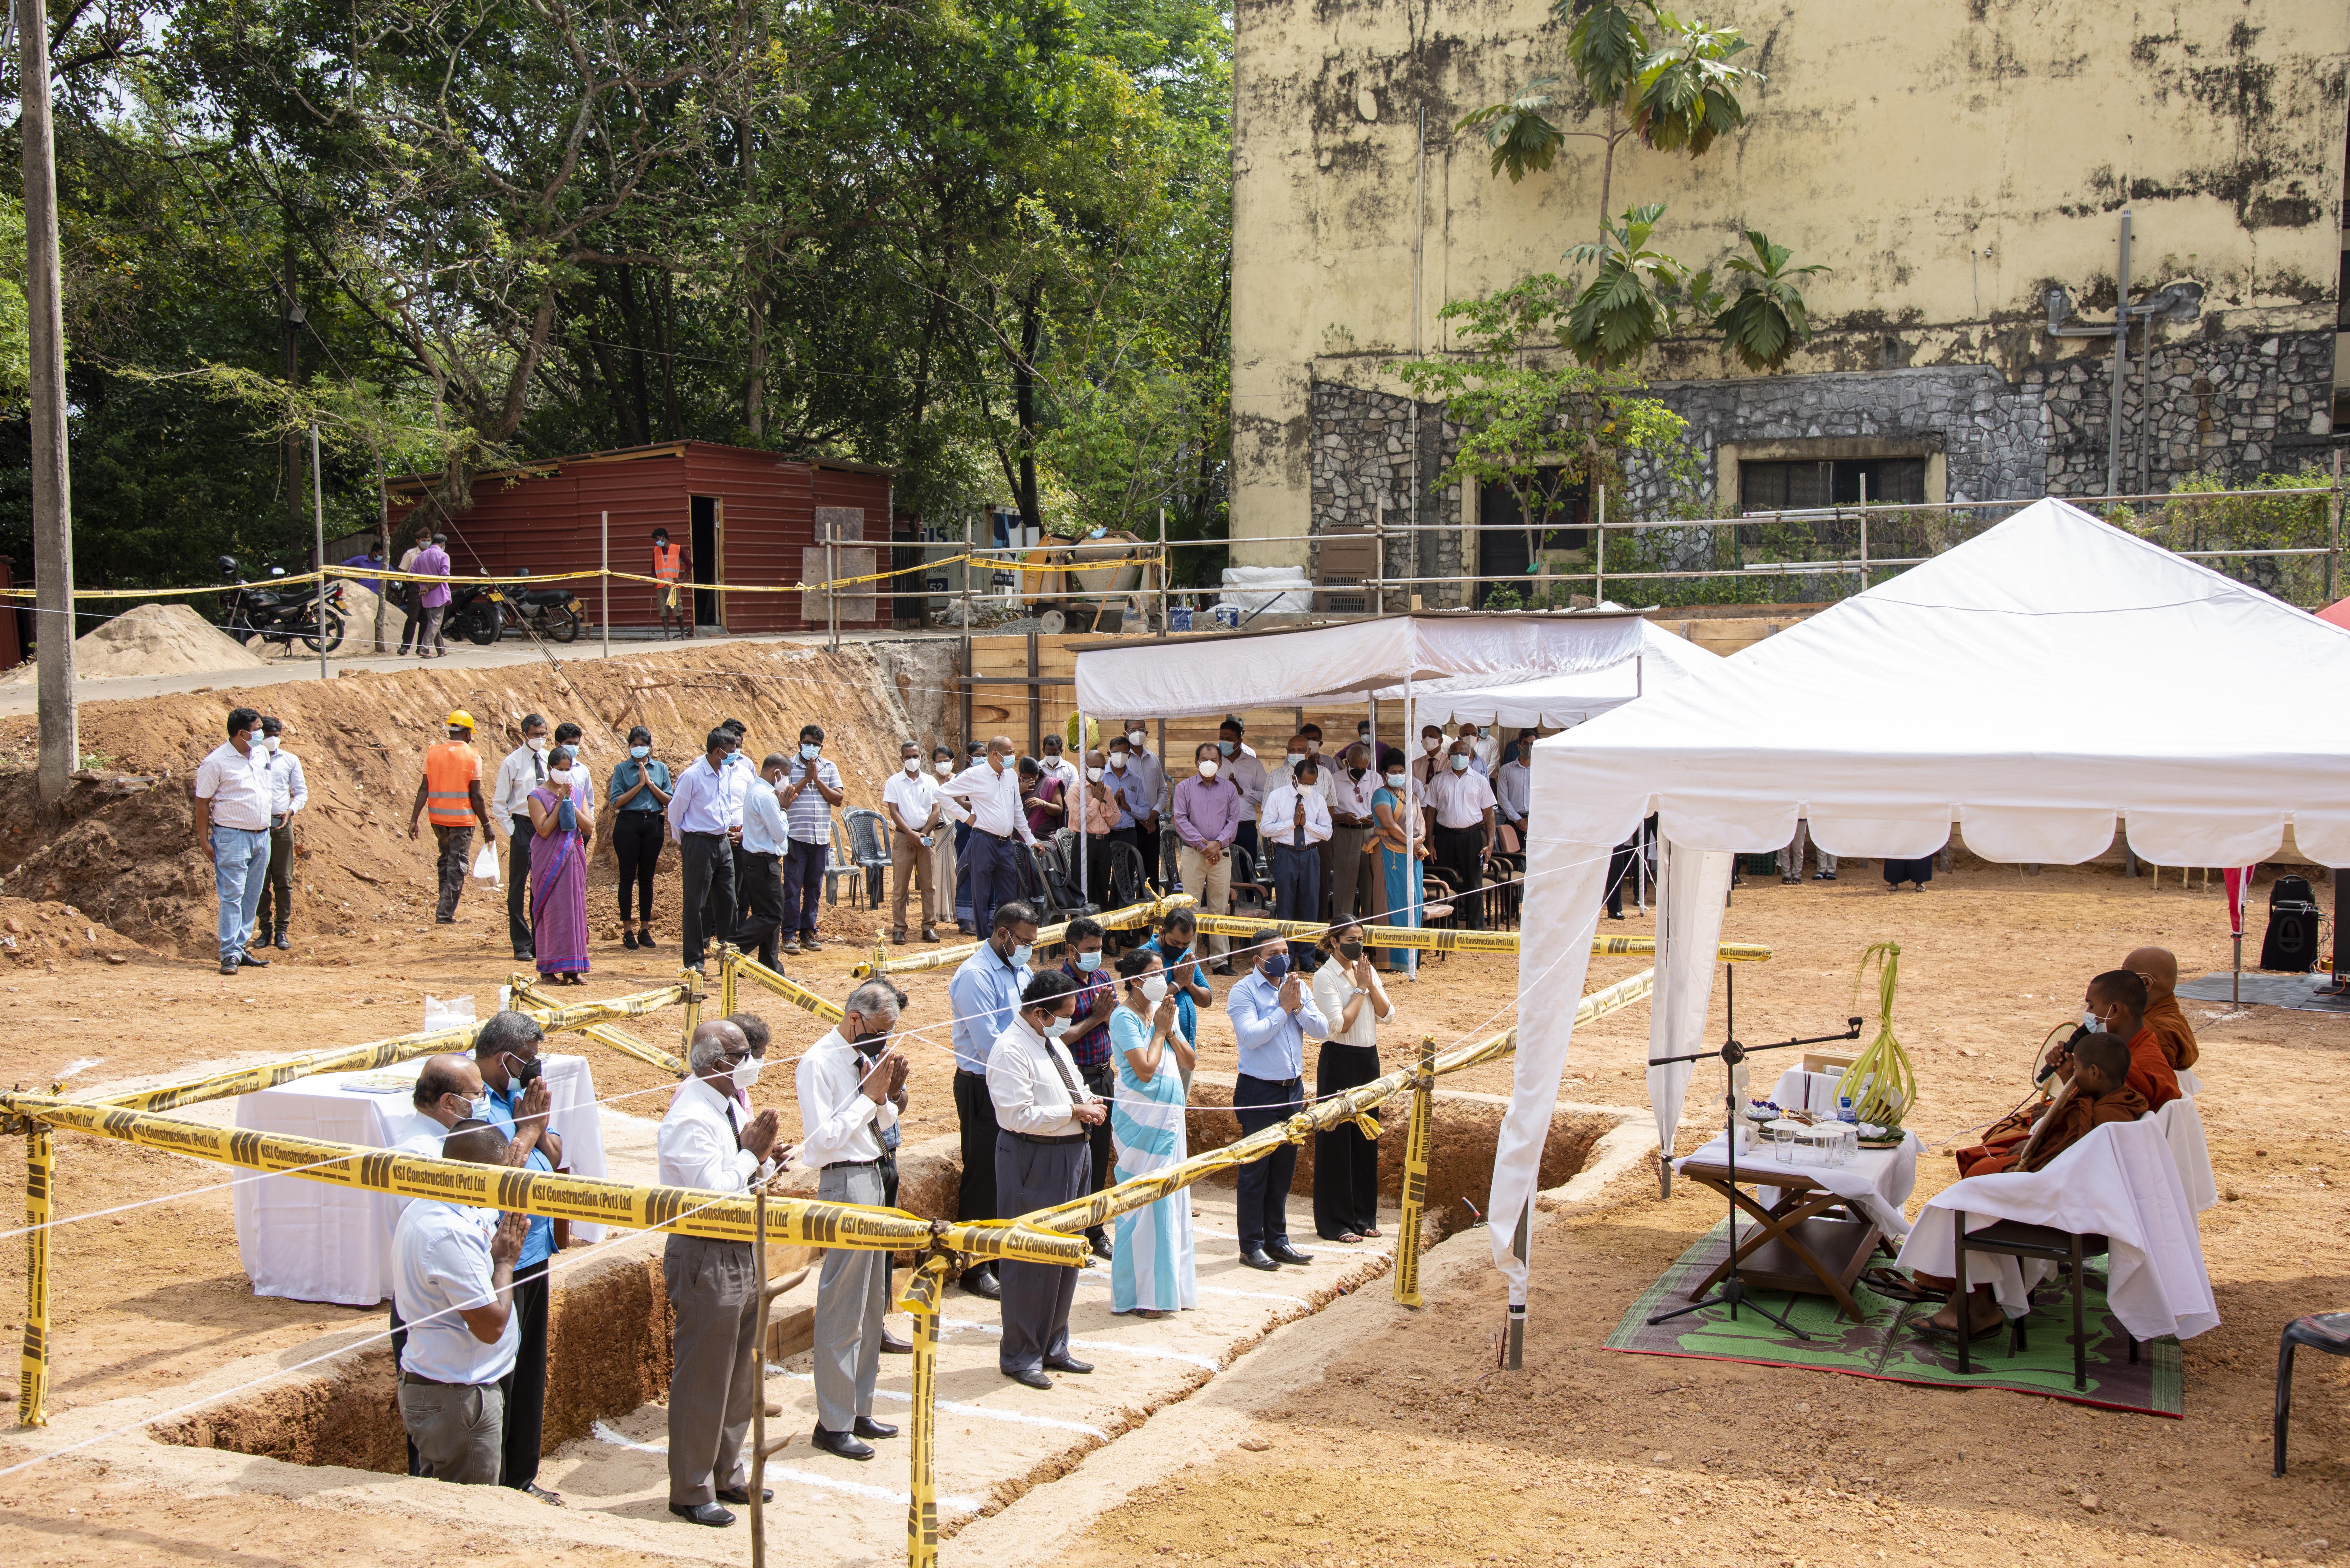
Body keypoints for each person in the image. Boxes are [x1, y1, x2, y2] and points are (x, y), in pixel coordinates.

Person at [1924, 1032, 2146, 1343]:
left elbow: (2068, 1160)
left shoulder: (2107, 1118)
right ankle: (1970, 1300)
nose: (2074, 1078)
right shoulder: (2123, 1102)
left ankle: (1973, 1306)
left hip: (2072, 1215)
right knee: (1982, 1179)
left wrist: (2025, 1163)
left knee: (1967, 1200)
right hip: (2085, 1204)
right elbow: (2071, 1138)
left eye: (2079, 1070)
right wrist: (2066, 1088)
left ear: (2094, 1073)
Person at [658, 1019, 786, 1527]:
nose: (750, 1061)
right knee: (704, 1374)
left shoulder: (728, 1102)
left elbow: (744, 1172)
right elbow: (713, 1189)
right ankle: (690, 1489)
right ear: (715, 1065)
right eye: (740, 1055)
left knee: (738, 1369)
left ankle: (727, 1472)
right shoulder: (690, 1116)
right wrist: (749, 1155)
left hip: (742, 1245)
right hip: (706, 1251)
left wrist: (767, 1162)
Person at [794, 979, 910, 1459]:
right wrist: (870, 1097)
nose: (885, 1041)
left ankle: (860, 1408)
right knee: (843, 1305)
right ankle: (833, 1422)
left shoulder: (868, 1060)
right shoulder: (818, 1063)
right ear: (855, 1019)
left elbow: (884, 1127)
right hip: (844, 1182)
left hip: (877, 1174)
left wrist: (889, 1098)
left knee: (871, 1303)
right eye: (881, 1030)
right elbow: (819, 1145)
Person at [393, 1119, 530, 1484]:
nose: (503, 1185)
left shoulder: (437, 1203)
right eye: (499, 1176)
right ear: (477, 1174)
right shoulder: (448, 1234)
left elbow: (481, 1213)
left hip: (448, 1389)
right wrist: (505, 1263)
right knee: (467, 1519)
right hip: (457, 1400)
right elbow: (490, 1326)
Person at [987, 969, 1104, 1388]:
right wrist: (1073, 1113)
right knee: (1028, 1257)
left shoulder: (1051, 1042)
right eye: (1063, 1015)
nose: (1067, 1023)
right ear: (1040, 1013)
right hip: (1034, 1158)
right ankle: (1021, 1354)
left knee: (1067, 1252)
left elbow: (1069, 1087)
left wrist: (1087, 1102)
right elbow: (1015, 1116)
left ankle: (1054, 1344)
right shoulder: (1010, 1050)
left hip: (1073, 1154)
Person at [468, 1012, 565, 1499]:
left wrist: (539, 1129)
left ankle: (522, 1479)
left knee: (529, 1373)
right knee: (503, 1374)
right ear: (501, 1055)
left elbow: (556, 1149)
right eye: (525, 1060)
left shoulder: (517, 1096)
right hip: (501, 1255)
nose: (532, 1069)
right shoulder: (475, 1101)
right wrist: (528, 1133)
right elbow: (499, 1171)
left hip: (533, 1250)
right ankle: (498, 1482)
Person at [947, 901, 1037, 1301]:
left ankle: (1000, 1253)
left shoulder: (1022, 970)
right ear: (1003, 934)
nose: (1029, 949)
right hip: (983, 1086)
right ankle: (973, 1266)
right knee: (982, 1173)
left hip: (1016, 1082)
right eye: (1023, 941)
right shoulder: (975, 976)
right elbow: (988, 1045)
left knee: (1011, 1172)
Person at [1225, 929, 1328, 1270]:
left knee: (1283, 1171)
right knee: (1255, 1171)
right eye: (1274, 952)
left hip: (1292, 1090)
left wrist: (1297, 1007)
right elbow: (1251, 1037)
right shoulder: (1243, 991)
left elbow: (1322, 1030)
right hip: (1258, 1091)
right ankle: (1251, 1246)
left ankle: (1278, 1240)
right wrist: (1283, 1009)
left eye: (1285, 950)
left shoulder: (1297, 986)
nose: (1282, 957)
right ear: (1257, 959)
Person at [1109, 948, 1196, 1318]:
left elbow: (1189, 1060)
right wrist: (1160, 1031)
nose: (1164, 978)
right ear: (1135, 980)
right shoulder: (1123, 1017)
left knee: (1172, 1202)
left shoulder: (1164, 1011)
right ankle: (1140, 1294)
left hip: (1171, 1120)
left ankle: (1170, 1289)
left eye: (1164, 971)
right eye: (1155, 973)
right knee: (1143, 1207)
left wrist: (1169, 1029)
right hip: (1139, 1123)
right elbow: (1145, 1069)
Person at [1310, 921, 1392, 1243]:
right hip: (1339, 1061)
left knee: (1365, 1137)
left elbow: (1387, 1014)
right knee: (1336, 1141)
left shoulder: (1366, 970)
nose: (1358, 945)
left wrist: (1369, 984)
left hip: (1368, 1061)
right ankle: (1335, 1221)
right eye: (1351, 940)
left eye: (1361, 939)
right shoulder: (1324, 976)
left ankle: (1363, 1215)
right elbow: (1340, 1024)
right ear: (1334, 941)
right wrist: (1359, 989)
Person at [193, 708, 276, 976]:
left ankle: (239, 948)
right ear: (242, 733)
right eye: (257, 729)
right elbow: (202, 803)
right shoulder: (215, 763)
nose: (261, 733)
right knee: (232, 896)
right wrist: (205, 840)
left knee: (251, 897)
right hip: (232, 836)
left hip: (262, 836)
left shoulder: (261, 753)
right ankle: (229, 953)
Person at [1057, 917, 1121, 1259]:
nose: (1096, 955)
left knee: (1098, 1156)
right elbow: (1061, 1037)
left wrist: (1107, 1015)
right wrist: (1097, 1017)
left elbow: (1116, 1018)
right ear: (1072, 949)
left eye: (1099, 949)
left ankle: (1095, 1229)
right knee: (1072, 1157)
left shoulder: (1101, 978)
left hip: (1103, 1075)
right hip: (1074, 1080)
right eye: (1090, 950)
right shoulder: (1058, 984)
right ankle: (1071, 1231)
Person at [666, 727, 750, 972]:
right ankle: (694, 961)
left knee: (729, 901)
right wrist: (686, 842)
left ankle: (730, 958)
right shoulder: (692, 776)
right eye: (731, 751)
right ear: (717, 751)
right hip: (699, 842)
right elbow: (675, 813)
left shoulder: (725, 773)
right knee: (696, 903)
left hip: (722, 842)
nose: (735, 756)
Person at [942, 737, 1041, 944]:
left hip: (1005, 844)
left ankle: (1001, 937)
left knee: (1008, 895)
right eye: (1009, 752)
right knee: (982, 896)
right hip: (982, 842)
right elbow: (941, 793)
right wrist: (965, 817)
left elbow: (1018, 812)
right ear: (995, 754)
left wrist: (1031, 839)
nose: (1013, 757)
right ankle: (984, 943)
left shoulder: (1012, 776)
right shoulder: (975, 775)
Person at [407, 710, 493, 924]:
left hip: (437, 819)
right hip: (462, 821)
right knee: (458, 864)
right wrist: (486, 824)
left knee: (446, 861)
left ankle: (443, 906)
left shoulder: (433, 753)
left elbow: (423, 789)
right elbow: (476, 795)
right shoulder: (473, 756)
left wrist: (414, 820)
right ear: (468, 734)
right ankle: (445, 914)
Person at [527, 746, 594, 984]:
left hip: (573, 859)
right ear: (549, 769)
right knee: (552, 911)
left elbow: (588, 827)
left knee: (574, 910)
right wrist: (559, 803)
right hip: (549, 860)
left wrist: (571, 804)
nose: (564, 774)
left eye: (568, 770)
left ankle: (572, 968)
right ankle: (548, 967)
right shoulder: (536, 796)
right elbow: (544, 830)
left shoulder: (578, 794)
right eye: (560, 770)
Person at [1172, 743, 1242, 971]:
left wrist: (1218, 845)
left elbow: (1234, 821)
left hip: (1221, 855)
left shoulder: (1230, 790)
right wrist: (1205, 846)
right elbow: (1180, 820)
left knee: (1218, 908)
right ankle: (1188, 960)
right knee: (1189, 907)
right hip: (1194, 854)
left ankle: (1219, 961)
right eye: (1204, 759)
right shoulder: (1184, 788)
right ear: (1197, 762)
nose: (1209, 763)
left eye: (1213, 760)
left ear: (1220, 763)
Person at [1260, 746, 1332, 964]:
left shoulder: (1318, 799)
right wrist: (1291, 824)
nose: (1309, 788)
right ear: (1294, 778)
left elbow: (1327, 832)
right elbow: (1265, 829)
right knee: (1287, 907)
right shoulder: (1277, 796)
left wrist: (1306, 824)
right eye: (1305, 783)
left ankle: (1308, 959)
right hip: (1286, 855)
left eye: (1312, 783)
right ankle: (1287, 959)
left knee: (1310, 906)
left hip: (1310, 855)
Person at [493, 713, 555, 962]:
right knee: (518, 885)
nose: (540, 739)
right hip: (523, 825)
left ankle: (540, 942)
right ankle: (521, 943)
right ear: (524, 735)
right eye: (535, 735)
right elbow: (500, 804)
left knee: (542, 885)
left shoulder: (551, 759)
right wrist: (513, 832)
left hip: (546, 827)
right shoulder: (512, 763)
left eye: (543, 734)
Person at [780, 724, 844, 954]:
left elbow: (838, 799)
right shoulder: (788, 767)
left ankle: (808, 932)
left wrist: (817, 780)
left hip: (820, 838)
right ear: (800, 744)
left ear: (821, 747)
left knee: (815, 888)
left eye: (816, 745)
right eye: (808, 743)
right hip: (797, 836)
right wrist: (806, 779)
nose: (812, 747)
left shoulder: (829, 767)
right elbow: (782, 799)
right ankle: (788, 934)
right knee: (793, 888)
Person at [608, 727, 672, 950]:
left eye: (641, 745)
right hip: (628, 823)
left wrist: (650, 784)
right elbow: (616, 802)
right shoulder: (622, 769)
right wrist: (639, 785)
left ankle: (645, 929)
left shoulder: (661, 768)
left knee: (647, 878)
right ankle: (627, 930)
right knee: (627, 877)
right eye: (633, 745)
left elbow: (668, 800)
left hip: (653, 824)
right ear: (629, 746)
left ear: (650, 746)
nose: (638, 749)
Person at [249, 716, 308, 954]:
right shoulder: (252, 759)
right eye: (268, 735)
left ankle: (282, 931)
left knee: (283, 880)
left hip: (282, 826)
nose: (272, 739)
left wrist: (290, 810)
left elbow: (301, 792)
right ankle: (265, 929)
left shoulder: (290, 760)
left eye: (276, 735)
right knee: (260, 881)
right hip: (257, 827)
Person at [1426, 735, 1497, 931]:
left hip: (1472, 837)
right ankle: (1446, 927)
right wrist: (1430, 842)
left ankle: (1476, 930)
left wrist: (1490, 843)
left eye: (1464, 754)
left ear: (1471, 755)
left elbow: (1489, 813)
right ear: (1449, 756)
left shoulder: (1481, 781)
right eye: (1455, 754)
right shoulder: (1439, 781)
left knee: (1474, 884)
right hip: (1445, 837)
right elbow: (1430, 811)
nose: (1459, 757)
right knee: (1445, 884)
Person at [731, 752, 791, 971]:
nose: (786, 780)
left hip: (756, 861)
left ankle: (770, 966)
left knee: (765, 915)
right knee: (773, 914)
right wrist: (784, 809)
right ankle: (732, 950)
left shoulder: (756, 791)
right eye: (785, 775)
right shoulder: (766, 796)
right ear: (776, 772)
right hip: (764, 863)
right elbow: (779, 833)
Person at [1370, 749, 1427, 976]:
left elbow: (1421, 824)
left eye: (1401, 772)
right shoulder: (1381, 795)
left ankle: (1412, 956)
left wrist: (1420, 840)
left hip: (1413, 855)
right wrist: (1414, 844)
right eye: (1393, 772)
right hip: (1389, 853)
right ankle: (1392, 959)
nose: (1397, 775)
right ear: (1385, 774)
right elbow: (1390, 826)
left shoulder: (1411, 795)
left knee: (1414, 902)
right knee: (1392, 902)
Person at [883, 742, 946, 944]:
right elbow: (893, 811)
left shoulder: (930, 782)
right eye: (908, 756)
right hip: (904, 837)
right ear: (902, 759)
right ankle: (899, 928)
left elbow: (936, 811)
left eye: (916, 756)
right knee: (901, 886)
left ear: (922, 757)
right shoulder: (894, 782)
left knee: (929, 886)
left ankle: (929, 927)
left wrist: (923, 834)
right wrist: (911, 835)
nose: (913, 760)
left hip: (926, 837)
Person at [1135, 908, 1210, 1059]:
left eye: (1186, 944)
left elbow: (1207, 1000)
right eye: (1175, 942)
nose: (1180, 949)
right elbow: (1144, 1001)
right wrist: (1178, 983)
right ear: (1162, 932)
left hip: (1185, 1048)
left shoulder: (1188, 956)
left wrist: (1188, 984)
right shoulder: (1143, 957)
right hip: (1156, 1050)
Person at [2126, 945, 2200, 1072]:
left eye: (2124, 976)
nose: (2116, 982)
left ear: (2146, 983)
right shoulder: (2147, 1017)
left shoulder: (2164, 1030)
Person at [1329, 741, 1379, 925]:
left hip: (1371, 833)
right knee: (1345, 884)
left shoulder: (1375, 779)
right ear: (1347, 763)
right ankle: (1343, 929)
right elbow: (1327, 813)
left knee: (1371, 883)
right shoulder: (1334, 780)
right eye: (1357, 767)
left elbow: (1382, 807)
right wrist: (1342, 817)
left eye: (1364, 768)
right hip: (1346, 832)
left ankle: (1371, 930)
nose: (1361, 771)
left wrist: (1374, 817)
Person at [1218, 719, 1268, 863]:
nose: (1224, 742)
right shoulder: (1214, 763)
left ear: (1239, 741)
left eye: (1229, 739)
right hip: (1219, 827)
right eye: (1222, 738)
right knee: (1220, 874)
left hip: (1246, 827)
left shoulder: (1254, 764)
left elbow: (1266, 796)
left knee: (1246, 872)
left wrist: (1242, 791)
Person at [1117, 720, 1164, 848]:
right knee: (1127, 866)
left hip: (1153, 823)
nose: (1137, 733)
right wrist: (1144, 819)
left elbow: (1163, 790)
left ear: (1146, 733)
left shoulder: (1154, 759)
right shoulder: (1120, 761)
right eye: (1133, 730)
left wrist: (1153, 815)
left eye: (1141, 730)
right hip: (1128, 824)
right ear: (1125, 734)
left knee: (1151, 867)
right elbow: (1118, 795)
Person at [340, 538, 391, 653]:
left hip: (376, 598)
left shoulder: (382, 563)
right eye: (381, 554)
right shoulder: (360, 560)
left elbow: (394, 573)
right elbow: (344, 565)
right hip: (360, 596)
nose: (381, 557)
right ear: (375, 553)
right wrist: (354, 576)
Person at [413, 531, 454, 658]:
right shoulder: (444, 556)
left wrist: (424, 587)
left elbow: (413, 575)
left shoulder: (421, 556)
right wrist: (429, 587)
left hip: (426, 595)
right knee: (435, 622)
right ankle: (425, 649)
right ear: (443, 544)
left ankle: (441, 650)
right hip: (438, 594)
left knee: (433, 622)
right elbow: (444, 577)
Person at [395, 524, 431, 656]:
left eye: (429, 540)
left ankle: (420, 647)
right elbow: (401, 574)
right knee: (412, 618)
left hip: (429, 588)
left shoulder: (432, 554)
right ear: (418, 541)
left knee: (426, 620)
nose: (427, 542)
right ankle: (405, 646)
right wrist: (411, 584)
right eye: (424, 540)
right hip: (415, 588)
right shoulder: (410, 555)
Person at [654, 526, 692, 640]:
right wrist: (653, 580)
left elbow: (689, 564)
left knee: (677, 611)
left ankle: (683, 635)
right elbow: (653, 567)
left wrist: (682, 579)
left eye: (657, 539)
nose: (657, 542)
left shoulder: (677, 549)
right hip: (660, 586)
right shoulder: (656, 551)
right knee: (663, 612)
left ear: (663, 537)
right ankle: (667, 636)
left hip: (674, 587)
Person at [1493, 742, 1531, 844]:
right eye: (1526, 743)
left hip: (1535, 822)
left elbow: (1543, 797)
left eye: (1532, 744)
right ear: (1519, 746)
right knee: (1512, 857)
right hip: (1513, 821)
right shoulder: (1506, 770)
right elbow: (1502, 798)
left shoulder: (1541, 770)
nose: (1529, 747)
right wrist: (1518, 820)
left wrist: (1530, 819)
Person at [1019, 755, 1064, 840]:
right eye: (1025, 778)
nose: (1029, 781)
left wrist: (1043, 803)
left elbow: (1059, 810)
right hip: (1022, 833)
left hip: (1045, 834)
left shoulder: (1050, 783)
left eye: (1033, 778)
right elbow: (1005, 805)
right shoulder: (1016, 782)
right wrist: (1019, 792)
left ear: (1039, 772)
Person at [1779, 818, 1837, 884]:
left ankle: (1797, 875)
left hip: (1801, 819)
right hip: (1786, 818)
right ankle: (1786, 875)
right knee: (1784, 849)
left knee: (1798, 849)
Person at [1409, 723, 1449, 789]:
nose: (1427, 739)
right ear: (1422, 742)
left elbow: (1448, 785)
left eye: (1432, 736)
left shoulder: (1449, 762)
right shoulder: (1415, 765)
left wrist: (1423, 787)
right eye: (1425, 737)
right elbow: (1413, 787)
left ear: (1441, 740)